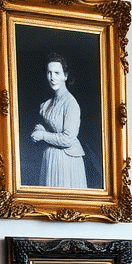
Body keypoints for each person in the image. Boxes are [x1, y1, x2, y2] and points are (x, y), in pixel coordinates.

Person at [30, 55, 87, 189]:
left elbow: (67, 139)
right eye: (49, 73)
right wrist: (40, 129)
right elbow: (48, 126)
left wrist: (43, 135)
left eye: (57, 73)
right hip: (50, 158)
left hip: (67, 161)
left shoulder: (71, 103)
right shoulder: (47, 104)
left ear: (65, 76)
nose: (52, 77)